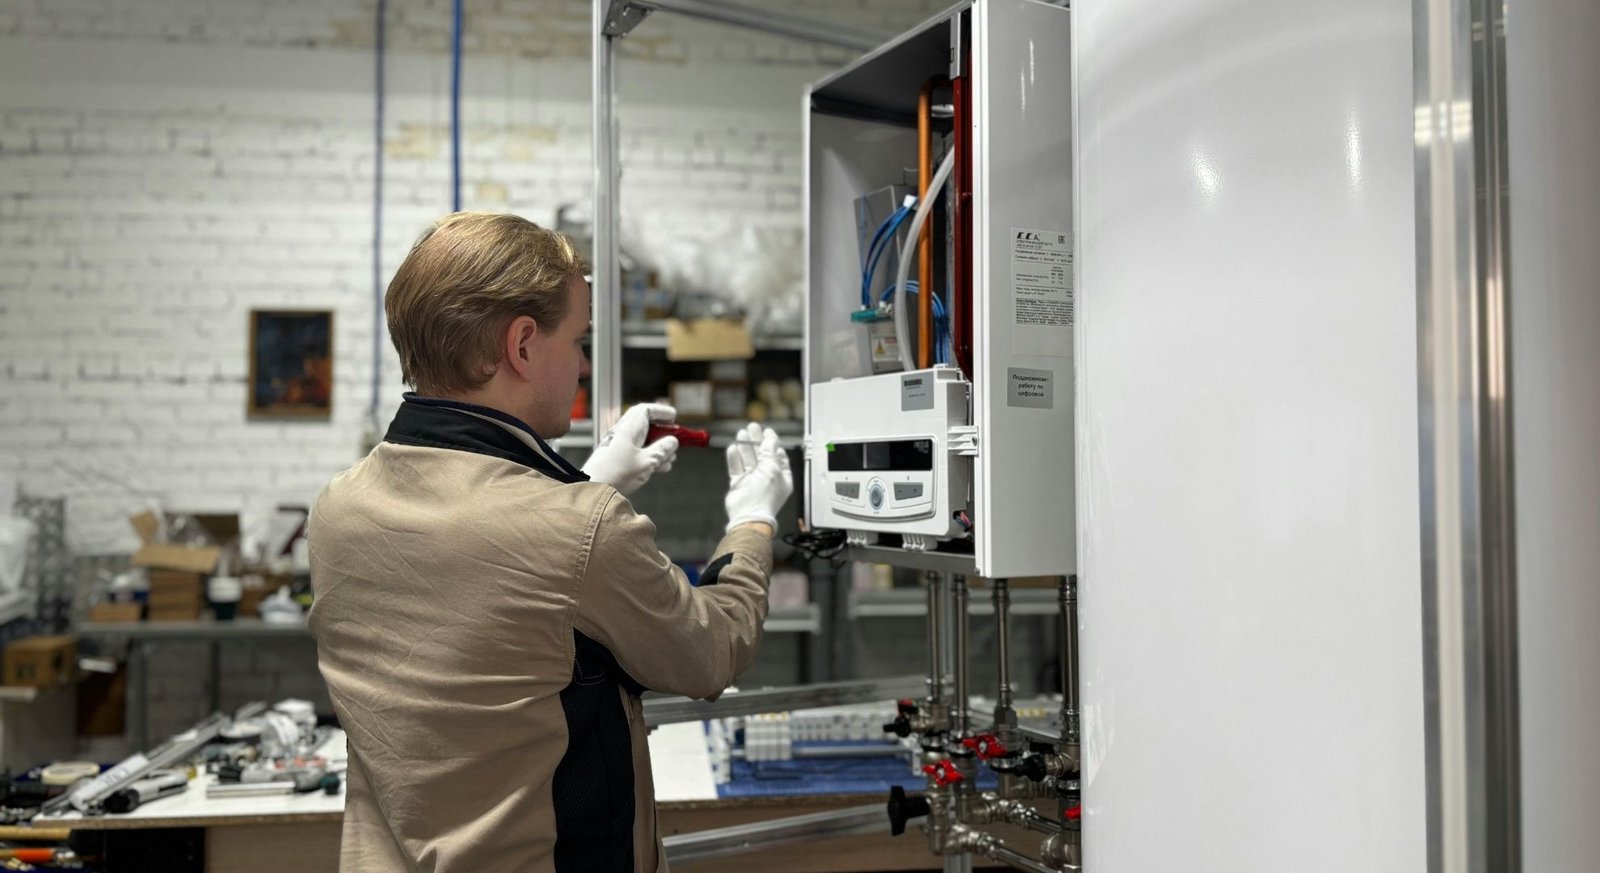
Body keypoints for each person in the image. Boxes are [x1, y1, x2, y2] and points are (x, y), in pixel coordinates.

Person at [307, 212, 793, 872]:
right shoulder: (578, 528)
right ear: (524, 345)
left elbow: (489, 590)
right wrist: (753, 520)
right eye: (579, 338)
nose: (584, 362)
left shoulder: (340, 507)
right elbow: (709, 652)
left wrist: (584, 482)